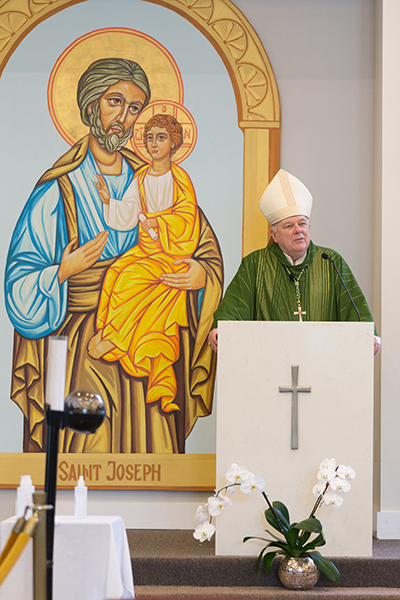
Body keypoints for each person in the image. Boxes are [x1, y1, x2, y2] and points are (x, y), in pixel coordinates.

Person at [5, 58, 223, 454]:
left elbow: (199, 241)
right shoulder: (60, 188)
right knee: (88, 449)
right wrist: (61, 270)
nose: (124, 117)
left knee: (153, 447)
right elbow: (19, 281)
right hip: (80, 347)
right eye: (114, 102)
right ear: (91, 107)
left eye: (135, 108)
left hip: (151, 328)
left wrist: (199, 275)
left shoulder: (156, 177)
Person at [88, 113, 200, 416]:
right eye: (149, 138)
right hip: (146, 248)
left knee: (131, 279)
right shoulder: (140, 177)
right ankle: (111, 330)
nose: (153, 144)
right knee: (114, 273)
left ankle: (115, 337)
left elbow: (188, 219)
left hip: (171, 254)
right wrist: (108, 202)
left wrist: (160, 222)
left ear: (174, 143)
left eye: (160, 137)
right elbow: (128, 213)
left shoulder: (180, 178)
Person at [208, 169, 381, 355]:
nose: (298, 230)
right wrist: (221, 330)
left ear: (309, 227)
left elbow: (356, 311)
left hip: (324, 362)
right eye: (289, 226)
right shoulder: (255, 265)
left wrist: (368, 335)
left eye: (302, 223)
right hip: (269, 363)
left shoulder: (331, 262)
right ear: (274, 235)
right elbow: (233, 310)